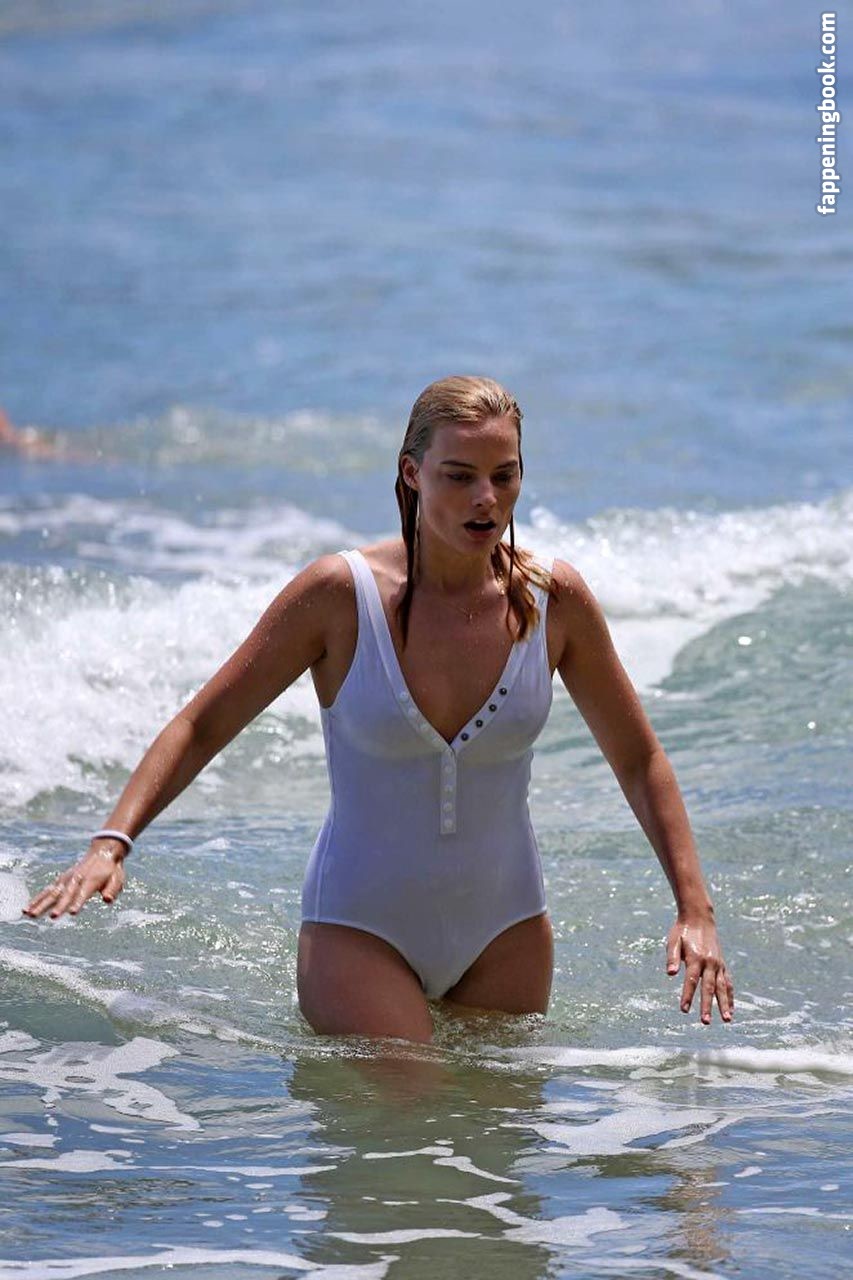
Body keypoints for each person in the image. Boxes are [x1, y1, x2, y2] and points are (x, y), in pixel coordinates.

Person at [23, 375, 734, 1044]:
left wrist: (694, 909)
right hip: (359, 932)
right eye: (459, 476)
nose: (486, 498)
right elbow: (202, 724)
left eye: (504, 475)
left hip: (508, 932)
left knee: (495, 1129)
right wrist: (112, 841)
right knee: (408, 1112)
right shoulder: (339, 595)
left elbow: (639, 759)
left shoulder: (554, 601)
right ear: (411, 473)